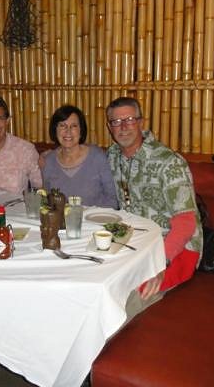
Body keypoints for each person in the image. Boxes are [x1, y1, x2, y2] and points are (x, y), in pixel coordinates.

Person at [106, 97, 202, 315]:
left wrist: (159, 265)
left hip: (175, 248)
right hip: (136, 243)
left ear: (141, 122)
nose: (123, 127)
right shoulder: (112, 157)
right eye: (116, 122)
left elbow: (186, 223)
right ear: (109, 127)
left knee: (129, 300)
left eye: (129, 120)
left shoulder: (169, 162)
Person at [41, 105, 117, 207]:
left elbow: (112, 199)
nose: (68, 131)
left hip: (96, 216)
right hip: (62, 217)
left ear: (81, 131)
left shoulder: (97, 157)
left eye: (74, 126)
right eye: (62, 125)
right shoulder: (48, 161)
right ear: (55, 130)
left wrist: (98, 216)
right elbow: (47, 200)